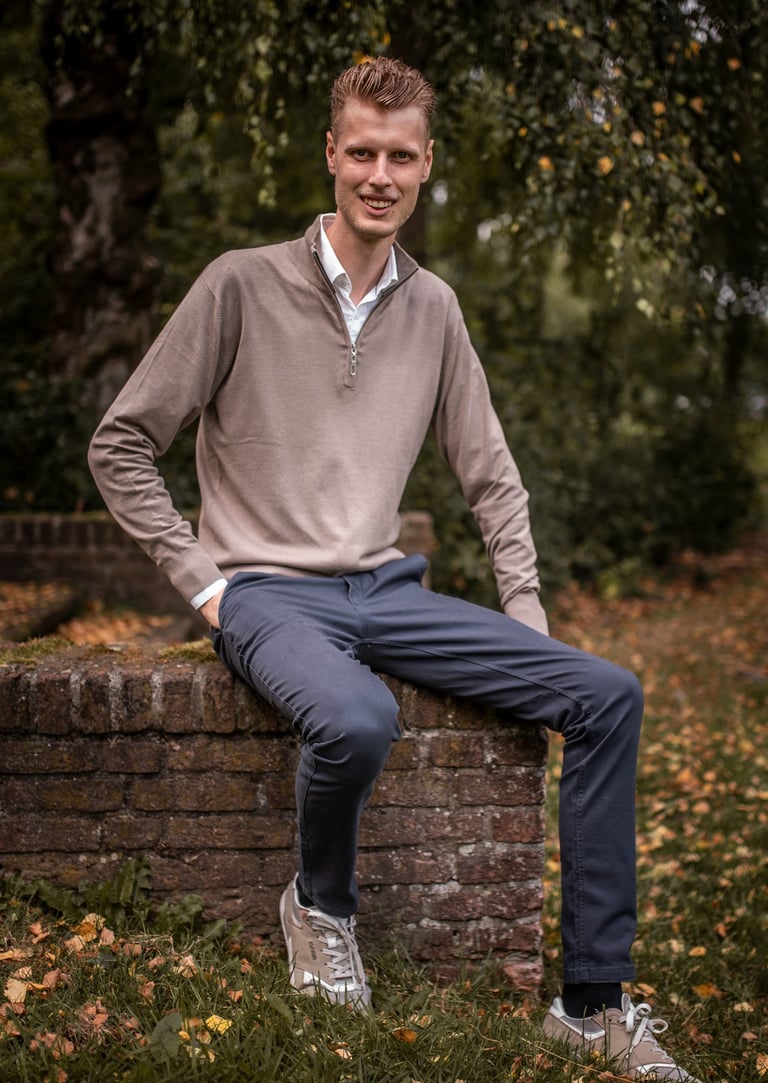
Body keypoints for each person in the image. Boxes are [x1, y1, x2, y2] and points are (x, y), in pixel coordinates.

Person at [89, 56, 701, 1082]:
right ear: (331, 154)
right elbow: (120, 442)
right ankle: (320, 907)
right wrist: (205, 584)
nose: (380, 173)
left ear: (425, 167)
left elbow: (492, 477)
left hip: (383, 588)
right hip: (266, 593)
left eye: (401, 156)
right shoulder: (239, 283)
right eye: (362, 151)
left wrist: (526, 610)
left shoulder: (437, 310)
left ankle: (594, 1005)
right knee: (358, 718)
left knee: (607, 696)